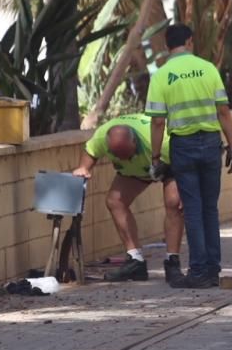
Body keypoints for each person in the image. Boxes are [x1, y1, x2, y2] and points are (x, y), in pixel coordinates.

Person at [147, 24, 232, 289]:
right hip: (211, 144)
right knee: (210, 208)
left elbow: (156, 123)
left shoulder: (161, 76)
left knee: (193, 210)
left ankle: (198, 271)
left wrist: (155, 158)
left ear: (167, 46)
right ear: (189, 42)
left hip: (183, 146)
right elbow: (223, 111)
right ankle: (212, 269)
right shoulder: (208, 69)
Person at [73, 114, 184, 284]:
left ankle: (172, 262)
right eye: (118, 156)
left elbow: (185, 164)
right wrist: (83, 168)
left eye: (127, 154)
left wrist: (186, 189)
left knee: (174, 203)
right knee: (114, 201)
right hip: (137, 170)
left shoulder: (161, 141)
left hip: (169, 163)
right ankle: (135, 261)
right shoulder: (102, 136)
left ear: (134, 142)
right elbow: (91, 152)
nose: (124, 158)